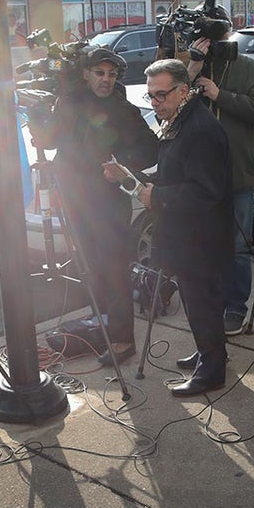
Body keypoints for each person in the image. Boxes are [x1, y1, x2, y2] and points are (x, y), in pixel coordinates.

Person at [31, 46, 158, 363]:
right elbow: (49, 140)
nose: (106, 79)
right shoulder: (69, 102)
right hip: (75, 199)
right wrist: (36, 118)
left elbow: (152, 151)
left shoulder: (123, 109)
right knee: (90, 268)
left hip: (109, 203)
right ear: (86, 74)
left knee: (115, 268)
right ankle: (101, 326)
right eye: (99, 73)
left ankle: (122, 340)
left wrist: (123, 167)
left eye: (111, 74)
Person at [127, 59, 232, 397]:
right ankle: (208, 353)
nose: (155, 103)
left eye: (161, 95)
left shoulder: (198, 129)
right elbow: (179, 174)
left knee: (203, 301)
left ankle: (212, 370)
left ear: (183, 91)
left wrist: (156, 195)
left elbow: (205, 190)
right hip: (188, 233)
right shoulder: (179, 120)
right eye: (151, 96)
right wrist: (141, 180)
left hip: (201, 236)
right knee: (195, 299)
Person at [186, 8, 254, 335]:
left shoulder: (247, 66)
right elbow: (168, 113)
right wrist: (192, 69)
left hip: (236, 175)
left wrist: (220, 95)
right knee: (203, 247)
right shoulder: (191, 69)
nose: (214, 45)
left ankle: (236, 308)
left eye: (219, 38)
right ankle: (211, 305)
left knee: (237, 248)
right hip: (199, 180)